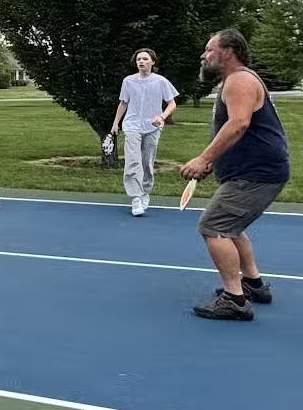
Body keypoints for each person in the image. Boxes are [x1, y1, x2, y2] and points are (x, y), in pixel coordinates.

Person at [177, 28, 290, 321]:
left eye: (209, 49)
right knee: (231, 226)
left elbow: (239, 124)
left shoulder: (239, 80)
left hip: (256, 174)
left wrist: (203, 158)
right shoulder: (238, 80)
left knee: (214, 225)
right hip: (254, 171)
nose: (204, 55)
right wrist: (216, 160)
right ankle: (252, 284)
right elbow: (240, 131)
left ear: (227, 52)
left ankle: (235, 299)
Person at [106, 47, 178, 215]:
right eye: (139, 59)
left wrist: (162, 117)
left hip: (153, 127)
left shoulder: (161, 81)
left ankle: (145, 192)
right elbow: (123, 103)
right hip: (132, 125)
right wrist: (116, 123)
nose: (141, 62)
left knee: (146, 162)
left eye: (145, 59)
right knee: (132, 161)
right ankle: (136, 198)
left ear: (152, 62)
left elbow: (172, 103)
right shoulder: (128, 81)